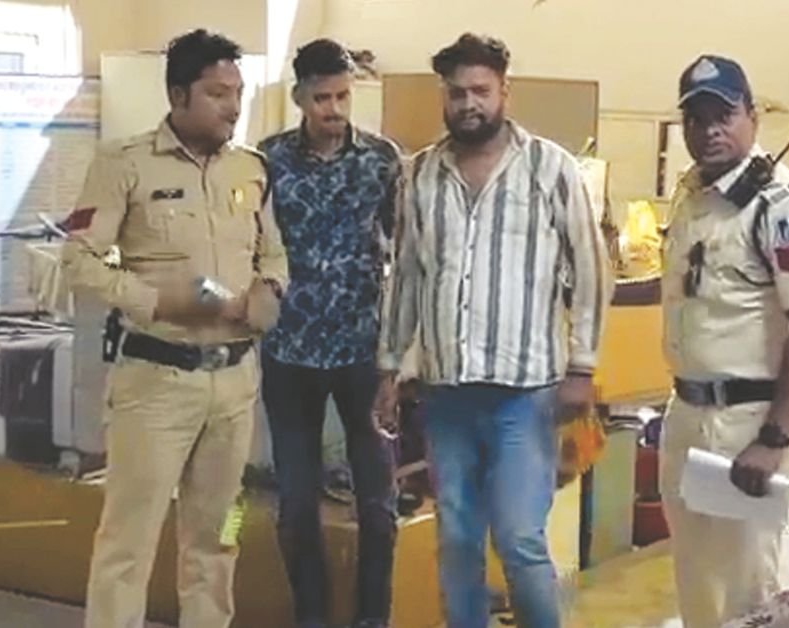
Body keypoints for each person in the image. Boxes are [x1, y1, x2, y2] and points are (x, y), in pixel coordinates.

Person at [375, 33, 612, 628]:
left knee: (519, 539)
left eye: (480, 90)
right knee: (456, 538)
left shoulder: (550, 169)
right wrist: (390, 366)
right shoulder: (419, 175)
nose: (468, 104)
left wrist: (583, 366)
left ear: (505, 91)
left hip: (524, 396)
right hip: (447, 394)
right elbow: (407, 276)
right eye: (456, 93)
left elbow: (591, 270)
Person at [61, 29, 288, 628]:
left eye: (238, 92)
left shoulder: (252, 169)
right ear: (178, 94)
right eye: (217, 93)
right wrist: (156, 301)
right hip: (156, 383)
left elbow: (274, 253)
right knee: (128, 540)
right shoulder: (124, 164)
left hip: (234, 388)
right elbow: (79, 260)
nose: (233, 107)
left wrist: (269, 289)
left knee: (221, 533)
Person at [659, 54, 789, 627]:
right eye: (696, 118)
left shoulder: (785, 207)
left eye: (724, 115)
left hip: (749, 421)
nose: (709, 130)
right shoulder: (694, 196)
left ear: (753, 117)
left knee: (747, 587)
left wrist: (773, 437)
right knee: (695, 579)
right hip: (689, 411)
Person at [257, 38, 402, 628]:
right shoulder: (267, 161)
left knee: (379, 506)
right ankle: (311, 616)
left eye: (342, 97)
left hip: (362, 352)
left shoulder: (382, 160)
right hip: (288, 353)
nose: (334, 110)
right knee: (296, 505)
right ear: (299, 98)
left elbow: (405, 251)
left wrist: (399, 353)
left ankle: (373, 618)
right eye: (322, 99)